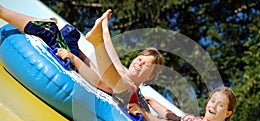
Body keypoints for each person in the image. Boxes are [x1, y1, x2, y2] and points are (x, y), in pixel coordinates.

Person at [0, 6, 163, 110]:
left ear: (150, 76)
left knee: (50, 29)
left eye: (146, 64)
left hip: (103, 82)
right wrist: (104, 25)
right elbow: (110, 51)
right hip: (93, 71)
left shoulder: (132, 91)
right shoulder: (120, 72)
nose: (139, 62)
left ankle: (2, 12)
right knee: (71, 32)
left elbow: (101, 84)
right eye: (140, 58)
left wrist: (74, 57)